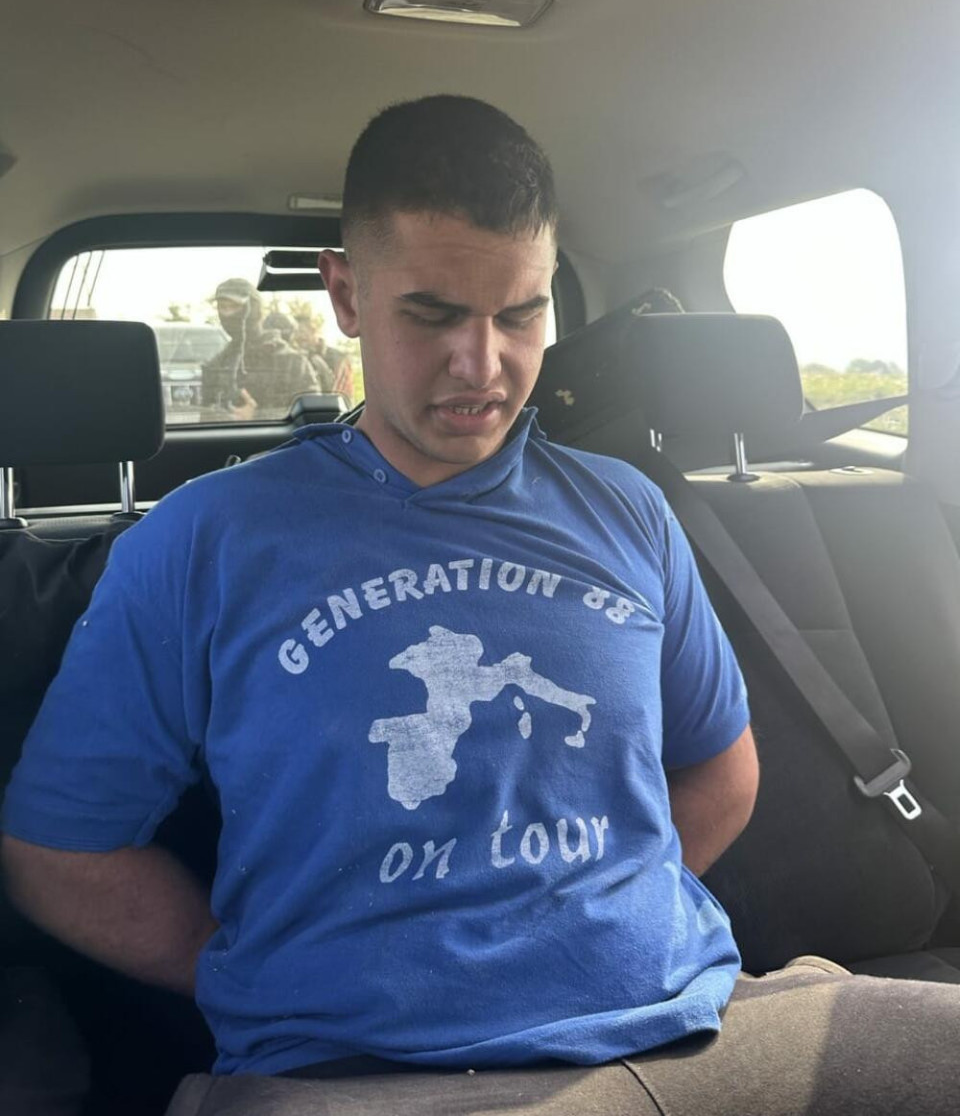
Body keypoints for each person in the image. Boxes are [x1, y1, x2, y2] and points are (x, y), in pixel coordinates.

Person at [2, 96, 960, 1116]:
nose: (483, 363)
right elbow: (58, 849)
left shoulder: (629, 509)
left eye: (521, 314)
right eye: (433, 314)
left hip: (700, 1026)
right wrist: (249, 969)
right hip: (363, 1076)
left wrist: (596, 911)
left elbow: (723, 764)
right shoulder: (202, 539)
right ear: (346, 295)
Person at [201, 278, 318, 420]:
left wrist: (257, 417)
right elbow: (204, 418)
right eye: (223, 307)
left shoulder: (290, 362)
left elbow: (312, 417)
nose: (227, 314)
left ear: (253, 309)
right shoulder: (217, 364)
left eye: (234, 307)